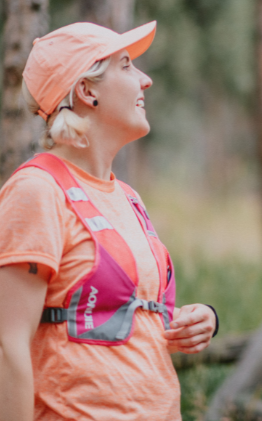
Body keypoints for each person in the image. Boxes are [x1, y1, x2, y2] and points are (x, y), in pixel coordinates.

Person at [0, 21, 218, 421]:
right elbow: (6, 345)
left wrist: (198, 319)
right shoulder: (37, 191)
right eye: (126, 65)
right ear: (87, 91)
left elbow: (119, 319)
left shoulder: (127, 197)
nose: (146, 80)